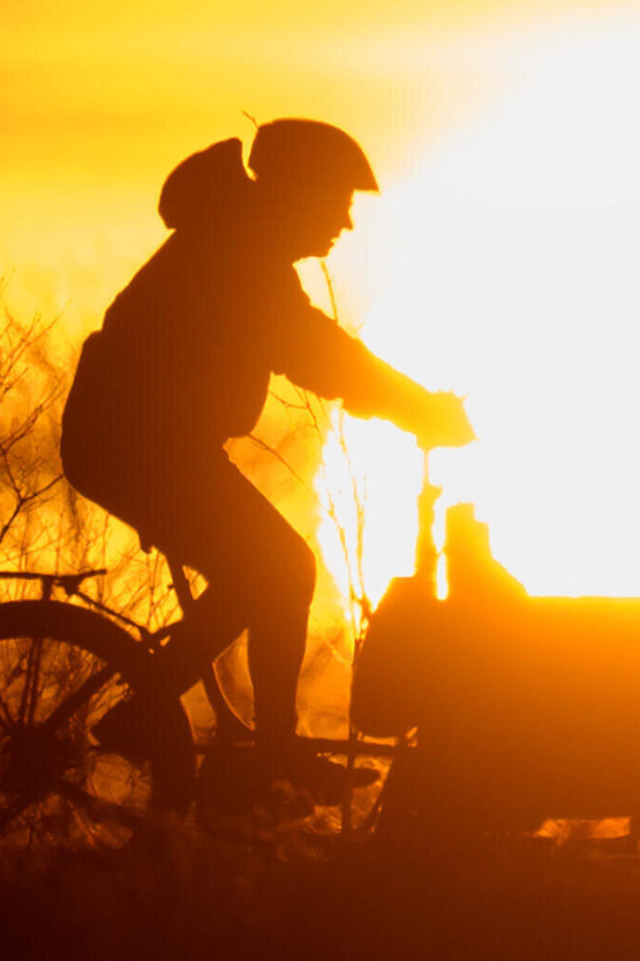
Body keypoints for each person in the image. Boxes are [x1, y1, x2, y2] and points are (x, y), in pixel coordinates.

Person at [61, 118, 474, 788]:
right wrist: (420, 409)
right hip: (132, 448)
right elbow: (318, 354)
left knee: (266, 571)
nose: (344, 223)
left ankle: (165, 711)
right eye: (338, 202)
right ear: (299, 192)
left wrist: (413, 407)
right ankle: (266, 756)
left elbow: (317, 353)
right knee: (281, 569)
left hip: (153, 446)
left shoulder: (240, 245)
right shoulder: (236, 253)